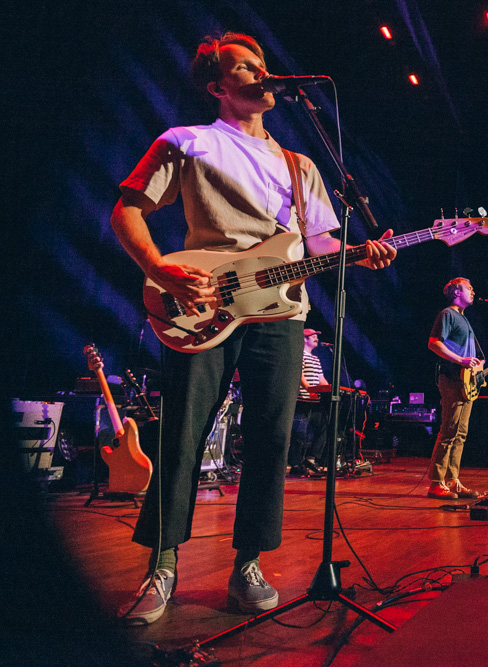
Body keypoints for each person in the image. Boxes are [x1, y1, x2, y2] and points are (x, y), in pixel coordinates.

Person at [109, 32, 395, 625]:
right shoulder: (188, 142)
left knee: (272, 439)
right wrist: (160, 267)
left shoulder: (301, 165)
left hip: (282, 315)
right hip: (203, 301)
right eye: (246, 67)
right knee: (182, 434)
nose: (262, 73)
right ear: (218, 86)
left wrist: (364, 252)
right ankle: (161, 567)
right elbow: (127, 208)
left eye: (263, 64)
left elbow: (319, 244)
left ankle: (248, 565)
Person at [426, 277, 483, 499]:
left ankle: (452, 479)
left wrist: (476, 365)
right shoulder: (447, 314)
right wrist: (460, 360)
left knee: (460, 433)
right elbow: (433, 343)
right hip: (451, 378)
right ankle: (436, 482)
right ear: (457, 292)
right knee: (449, 431)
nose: (473, 291)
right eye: (469, 288)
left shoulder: (463, 319)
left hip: (465, 382)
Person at [288, 328, 331, 476]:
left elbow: (321, 379)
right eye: (313, 336)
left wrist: (331, 388)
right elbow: (298, 374)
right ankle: (295, 464)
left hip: (314, 401)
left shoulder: (315, 358)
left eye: (316, 336)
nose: (316, 338)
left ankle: (312, 458)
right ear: (304, 339)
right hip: (302, 400)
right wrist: (307, 387)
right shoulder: (299, 355)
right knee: (299, 434)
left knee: (323, 427)